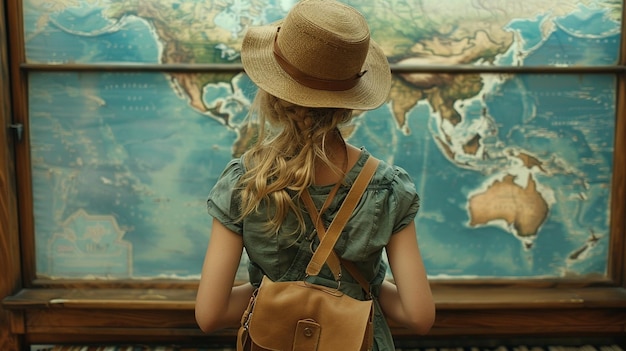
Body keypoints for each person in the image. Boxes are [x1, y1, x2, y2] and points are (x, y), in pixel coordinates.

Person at [195, 0, 435, 349]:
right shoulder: (387, 188)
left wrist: (278, 290)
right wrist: (356, 286)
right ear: (351, 100)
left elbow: (210, 314)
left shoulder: (243, 182)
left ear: (273, 92)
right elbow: (419, 315)